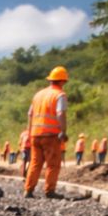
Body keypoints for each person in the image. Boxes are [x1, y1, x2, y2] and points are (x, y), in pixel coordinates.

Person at [24, 65, 69, 199]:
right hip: (51, 135)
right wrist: (63, 131)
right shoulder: (60, 95)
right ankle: (50, 191)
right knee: (53, 163)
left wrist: (29, 131)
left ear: (50, 80)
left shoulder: (38, 94)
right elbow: (60, 113)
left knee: (35, 163)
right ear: (62, 81)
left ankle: (28, 190)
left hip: (35, 134)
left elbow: (30, 114)